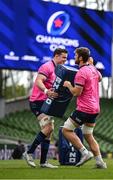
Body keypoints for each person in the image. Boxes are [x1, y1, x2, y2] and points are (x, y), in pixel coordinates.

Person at [62, 47, 107, 169]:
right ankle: (100, 162)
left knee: (66, 130)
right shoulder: (93, 69)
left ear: (81, 58)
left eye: (76, 55)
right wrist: (92, 65)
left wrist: (68, 85)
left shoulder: (81, 72)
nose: (74, 57)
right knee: (88, 134)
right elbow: (100, 78)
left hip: (84, 108)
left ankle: (84, 152)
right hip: (95, 109)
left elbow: (76, 92)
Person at [23, 48, 68, 168]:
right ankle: (28, 152)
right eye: (64, 57)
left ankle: (43, 162)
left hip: (47, 103)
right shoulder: (47, 66)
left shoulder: (59, 70)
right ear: (57, 56)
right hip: (37, 102)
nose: (65, 60)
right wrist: (46, 91)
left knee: (49, 132)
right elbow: (38, 81)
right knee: (49, 127)